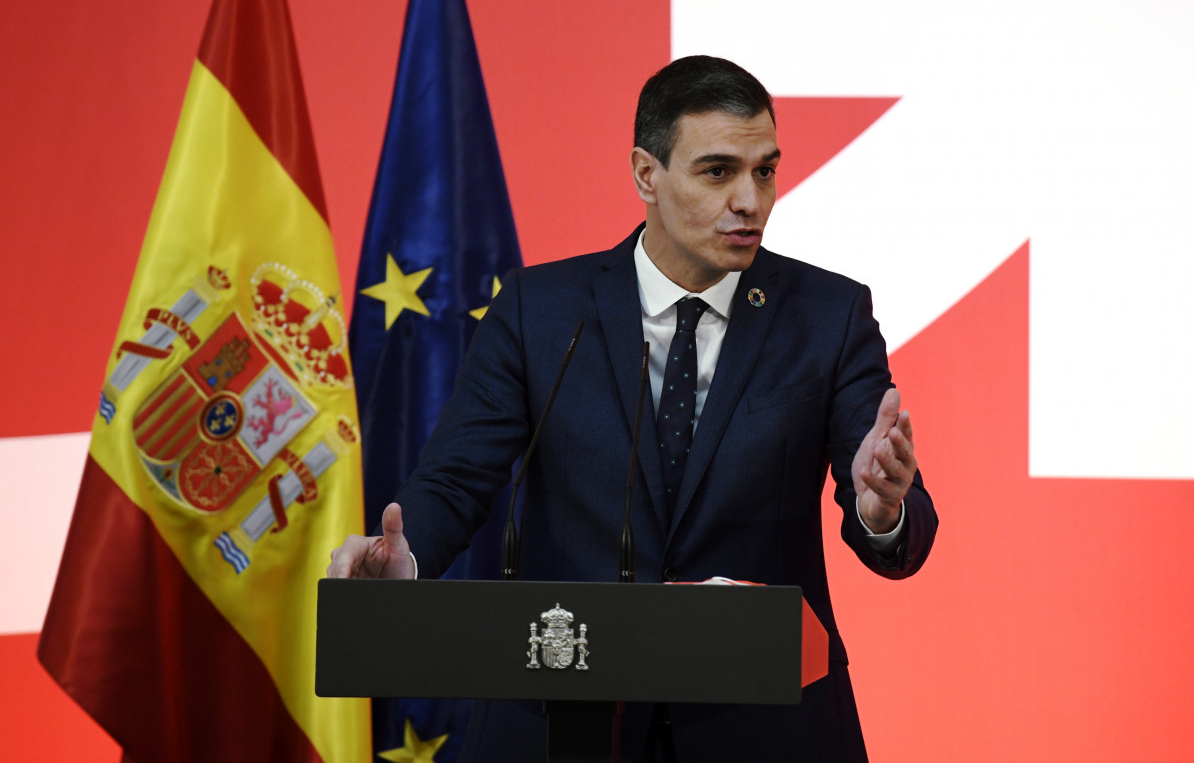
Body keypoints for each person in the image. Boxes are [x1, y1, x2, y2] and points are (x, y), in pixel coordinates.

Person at [328, 55, 937, 762]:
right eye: (718, 172)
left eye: (765, 171)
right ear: (647, 174)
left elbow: (898, 523)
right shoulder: (540, 310)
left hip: (762, 724)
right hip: (562, 713)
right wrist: (404, 560)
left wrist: (882, 509)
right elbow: (457, 477)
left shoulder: (829, 315)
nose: (750, 200)